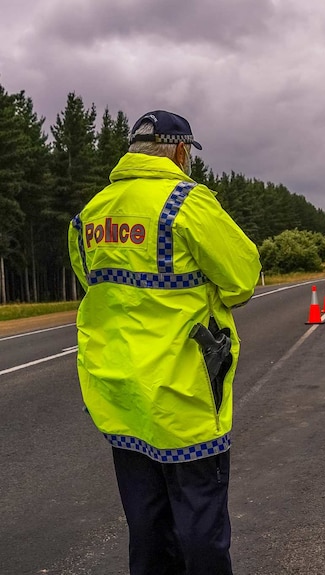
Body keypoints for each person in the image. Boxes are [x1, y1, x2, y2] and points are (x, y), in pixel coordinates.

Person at [68, 110, 261, 575]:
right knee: (201, 526)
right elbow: (242, 279)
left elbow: (90, 280)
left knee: (147, 523)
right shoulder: (188, 202)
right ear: (179, 151)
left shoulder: (91, 213)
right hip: (183, 394)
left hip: (119, 392)